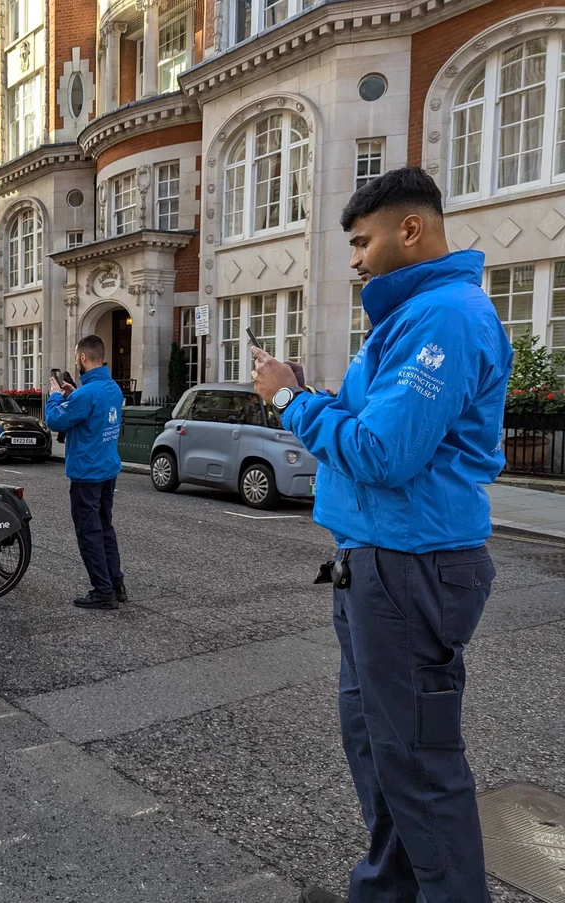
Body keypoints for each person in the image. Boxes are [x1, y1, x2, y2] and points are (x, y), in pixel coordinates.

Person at [251, 166, 511, 903]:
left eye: (363, 242)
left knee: (421, 765)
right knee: (380, 749)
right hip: (379, 561)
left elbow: (381, 453)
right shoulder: (411, 316)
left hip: (411, 563)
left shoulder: (444, 318)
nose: (356, 259)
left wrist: (291, 400)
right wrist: (311, 395)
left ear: (411, 229)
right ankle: (386, 893)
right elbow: (372, 424)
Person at [46, 335, 126, 610]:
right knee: (105, 528)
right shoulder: (113, 388)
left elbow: (54, 420)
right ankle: (116, 584)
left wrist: (55, 396)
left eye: (76, 357)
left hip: (87, 473)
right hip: (107, 469)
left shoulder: (86, 394)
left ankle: (102, 591)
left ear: (82, 357)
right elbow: (90, 412)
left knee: (89, 532)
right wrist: (72, 395)